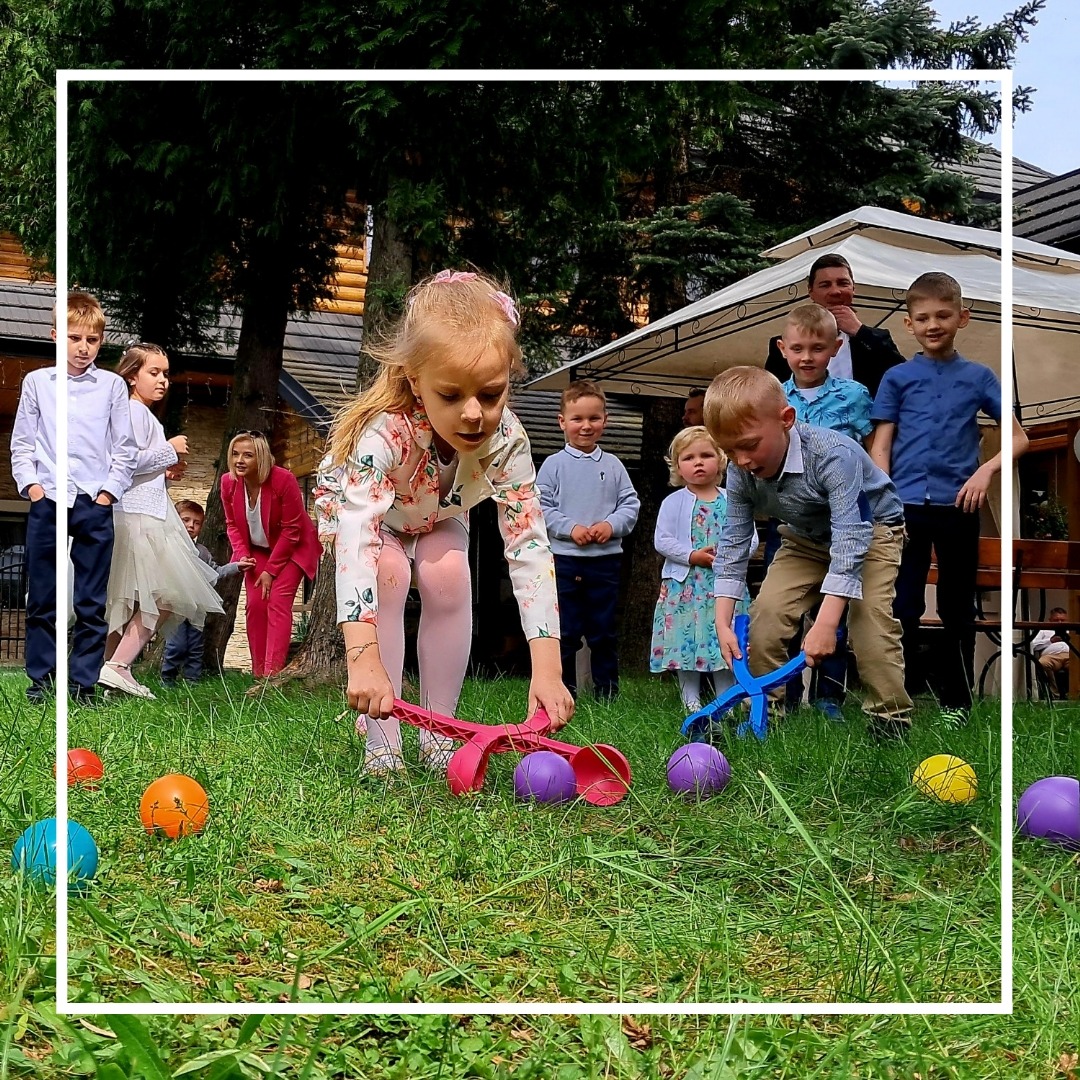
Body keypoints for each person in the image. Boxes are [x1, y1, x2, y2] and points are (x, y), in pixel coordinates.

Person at [315, 269, 575, 778]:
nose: (474, 414)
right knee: (389, 575)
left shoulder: (509, 443)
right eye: (451, 396)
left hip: (438, 511)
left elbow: (529, 546)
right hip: (377, 519)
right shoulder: (383, 435)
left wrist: (548, 666)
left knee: (449, 575)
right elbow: (357, 541)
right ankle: (382, 744)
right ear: (416, 381)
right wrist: (361, 658)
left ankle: (440, 734)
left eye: (492, 394)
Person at [705, 365, 912, 738]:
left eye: (750, 445)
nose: (742, 461)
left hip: (872, 534)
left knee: (869, 623)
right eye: (729, 451)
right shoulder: (741, 469)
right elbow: (734, 540)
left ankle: (890, 720)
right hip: (806, 538)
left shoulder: (834, 455)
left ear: (786, 420)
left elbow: (851, 540)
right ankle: (766, 711)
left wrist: (827, 623)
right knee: (766, 616)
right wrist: (722, 621)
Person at [871, 271, 1029, 724]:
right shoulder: (897, 378)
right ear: (909, 324)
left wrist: (986, 471)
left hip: (959, 508)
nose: (933, 324)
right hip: (904, 510)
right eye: (923, 317)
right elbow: (881, 445)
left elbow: (1018, 438)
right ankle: (897, 700)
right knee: (902, 605)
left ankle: (956, 704)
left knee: (958, 607)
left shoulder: (979, 377)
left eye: (943, 315)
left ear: (963, 317)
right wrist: (884, 497)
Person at [10, 292, 138, 704]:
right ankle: (41, 681)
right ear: (55, 336)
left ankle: (83, 683)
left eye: (92, 340)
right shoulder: (37, 383)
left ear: (101, 343)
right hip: (49, 498)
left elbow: (124, 446)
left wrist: (107, 493)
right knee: (43, 596)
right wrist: (31, 486)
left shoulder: (112, 386)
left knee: (91, 599)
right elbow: (23, 442)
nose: (83, 347)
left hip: (92, 500)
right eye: (74, 338)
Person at [100, 343, 226, 699]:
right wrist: (169, 449)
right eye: (153, 373)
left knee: (128, 599)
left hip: (144, 510)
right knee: (165, 594)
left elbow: (139, 467)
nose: (162, 381)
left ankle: (108, 670)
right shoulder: (133, 413)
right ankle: (118, 665)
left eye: (165, 373)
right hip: (142, 517)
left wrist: (165, 470)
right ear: (131, 376)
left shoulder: (139, 414)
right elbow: (124, 465)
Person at [770, 302, 876, 720]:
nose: (807, 356)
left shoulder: (854, 396)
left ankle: (831, 695)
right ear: (783, 349)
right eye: (798, 348)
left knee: (840, 607)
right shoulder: (774, 396)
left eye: (817, 347)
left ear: (835, 347)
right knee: (788, 611)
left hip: (844, 519)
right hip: (795, 518)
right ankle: (786, 695)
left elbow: (870, 453)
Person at [536, 380, 640, 701]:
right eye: (578, 419)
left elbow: (630, 503)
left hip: (605, 562)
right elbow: (541, 507)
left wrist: (611, 525)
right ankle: (562, 694)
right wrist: (571, 528)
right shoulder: (554, 465)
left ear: (605, 421)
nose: (586, 426)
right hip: (565, 561)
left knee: (603, 632)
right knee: (566, 632)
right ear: (562, 422)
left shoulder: (613, 465)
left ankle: (607, 694)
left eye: (594, 418)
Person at [650, 425, 753, 713]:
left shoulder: (733, 499)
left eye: (706, 455)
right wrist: (692, 555)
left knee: (722, 641)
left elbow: (750, 537)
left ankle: (727, 699)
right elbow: (663, 539)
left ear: (721, 459)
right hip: (685, 587)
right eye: (689, 458)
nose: (698, 462)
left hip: (724, 586)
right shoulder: (673, 502)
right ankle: (691, 701)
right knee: (687, 641)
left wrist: (729, 557)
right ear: (678, 466)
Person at [220, 431, 321, 680]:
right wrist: (242, 555)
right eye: (235, 454)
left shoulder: (282, 480)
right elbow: (232, 523)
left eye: (248, 455)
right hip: (257, 551)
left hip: (293, 547)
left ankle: (272, 675)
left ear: (262, 457)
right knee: (255, 606)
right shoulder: (228, 482)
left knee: (277, 602)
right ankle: (258, 675)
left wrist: (270, 571)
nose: (239, 460)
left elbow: (292, 529)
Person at [764, 253, 905, 398]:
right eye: (825, 285)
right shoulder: (787, 345)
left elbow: (903, 376)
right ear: (811, 291)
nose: (835, 291)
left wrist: (860, 331)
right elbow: (768, 395)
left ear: (853, 288)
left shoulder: (875, 339)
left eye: (843, 283)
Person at [160, 499, 255, 685]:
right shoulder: (168, 548)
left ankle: (192, 680)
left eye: (196, 523)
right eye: (185, 520)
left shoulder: (201, 552)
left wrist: (236, 566)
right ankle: (167, 679)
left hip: (196, 609)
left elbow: (214, 572)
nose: (190, 526)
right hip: (175, 608)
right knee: (176, 645)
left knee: (196, 646)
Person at [1032, 607, 1071, 699]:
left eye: (1062, 620)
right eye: (1056, 620)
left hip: (1070, 655)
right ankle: (1054, 695)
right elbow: (1033, 645)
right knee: (1042, 663)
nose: (1059, 623)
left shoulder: (1072, 630)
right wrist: (1050, 641)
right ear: (1050, 620)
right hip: (1051, 656)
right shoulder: (1043, 630)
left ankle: (1073, 694)